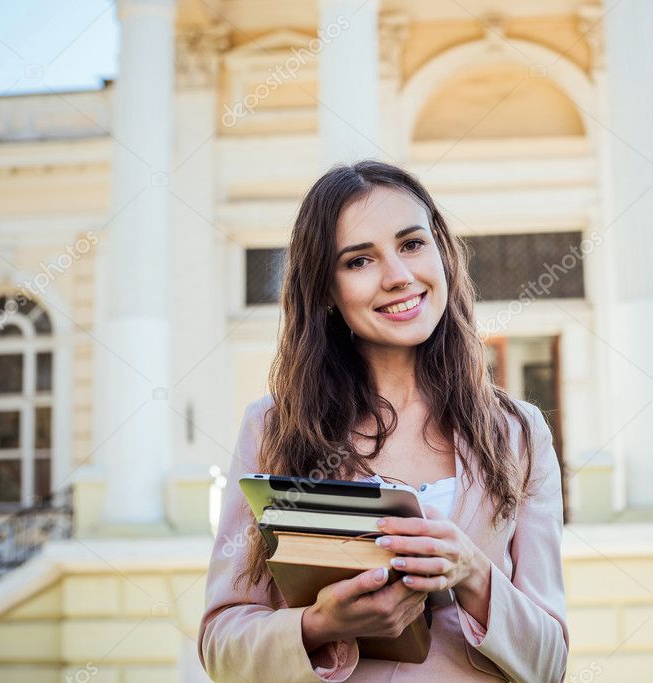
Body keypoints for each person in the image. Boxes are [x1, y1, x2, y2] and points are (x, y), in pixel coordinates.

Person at [198, 160, 568, 682]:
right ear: (326, 288)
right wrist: (319, 624)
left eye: (412, 244)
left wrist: (472, 574)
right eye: (359, 261)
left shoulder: (517, 433)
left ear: (441, 252)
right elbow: (221, 648)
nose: (398, 276)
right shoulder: (274, 427)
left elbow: (550, 664)